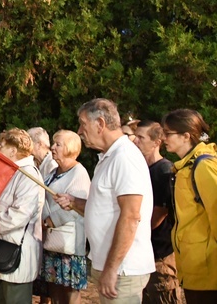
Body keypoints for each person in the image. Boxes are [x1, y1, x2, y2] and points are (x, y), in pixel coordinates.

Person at [55, 98, 155, 303]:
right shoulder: (109, 157)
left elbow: (131, 216)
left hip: (123, 270)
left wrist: (112, 269)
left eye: (83, 124)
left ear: (100, 123)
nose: (80, 131)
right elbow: (105, 208)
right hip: (113, 267)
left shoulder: (124, 157)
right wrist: (75, 202)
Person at [0, 128, 44, 304]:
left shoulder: (29, 175)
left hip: (16, 256)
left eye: (2, 145)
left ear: (13, 150)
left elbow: (19, 215)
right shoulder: (12, 172)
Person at [161, 109, 217, 303]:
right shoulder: (186, 167)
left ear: (186, 136)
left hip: (208, 272)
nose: (163, 138)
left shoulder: (203, 166)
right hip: (195, 269)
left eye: (168, 133)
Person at [132, 120, 182, 304]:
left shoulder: (163, 170)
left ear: (156, 142)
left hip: (160, 254)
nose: (135, 141)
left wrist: (135, 232)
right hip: (143, 252)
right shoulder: (141, 169)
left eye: (141, 137)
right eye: (135, 136)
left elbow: (159, 213)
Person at [38, 130, 91, 304]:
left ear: (69, 148)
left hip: (68, 246)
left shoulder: (79, 173)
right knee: (54, 290)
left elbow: (74, 208)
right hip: (51, 243)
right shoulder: (53, 172)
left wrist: (48, 221)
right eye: (53, 143)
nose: (52, 148)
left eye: (57, 144)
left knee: (69, 292)